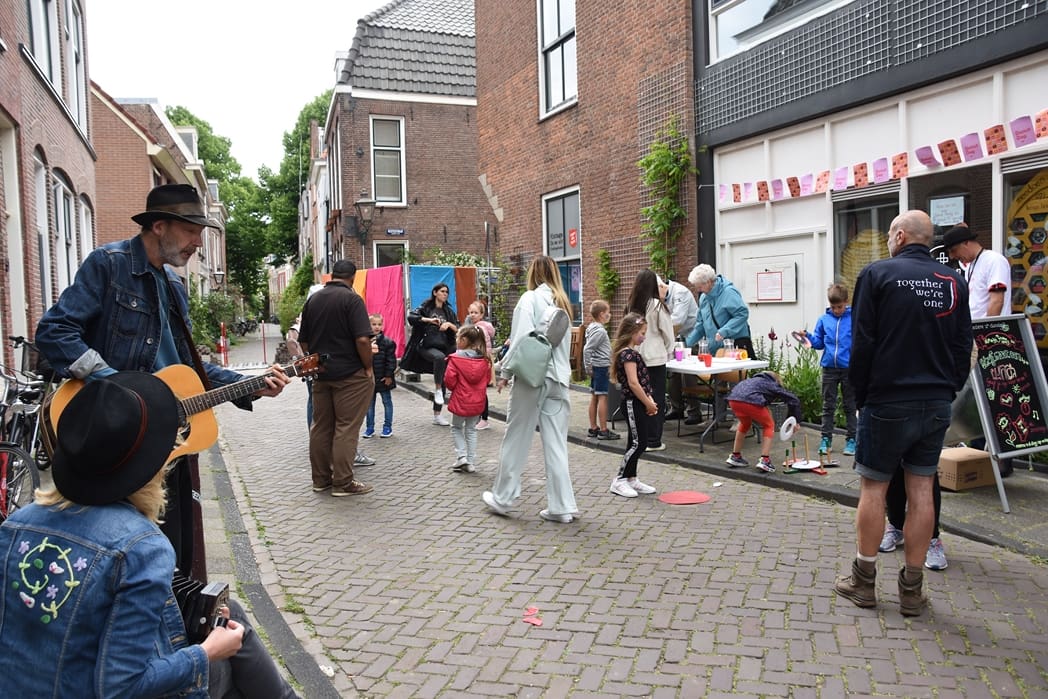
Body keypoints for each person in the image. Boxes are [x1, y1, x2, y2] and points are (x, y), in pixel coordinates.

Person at [35, 183, 289, 581]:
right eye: (190, 230)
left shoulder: (174, 286)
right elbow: (54, 332)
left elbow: (188, 368)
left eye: (200, 233)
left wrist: (249, 384)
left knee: (173, 550)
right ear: (159, 226)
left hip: (168, 436)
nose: (197, 243)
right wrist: (116, 387)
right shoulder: (109, 265)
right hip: (119, 436)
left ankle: (175, 611)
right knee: (122, 550)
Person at [0, 372, 245, 697]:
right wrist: (207, 652)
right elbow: (121, 686)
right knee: (233, 654)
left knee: (232, 616)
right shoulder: (142, 548)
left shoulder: (16, 526)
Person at [835, 209, 971, 617]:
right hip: (935, 400)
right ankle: (912, 590)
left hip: (888, 398)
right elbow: (963, 344)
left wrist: (861, 395)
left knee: (874, 489)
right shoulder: (954, 281)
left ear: (898, 237)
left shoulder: (877, 275)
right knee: (922, 489)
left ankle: (864, 581)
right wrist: (948, 388)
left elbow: (863, 341)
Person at [482, 255, 579, 524]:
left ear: (533, 274)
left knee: (516, 436)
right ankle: (562, 506)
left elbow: (522, 338)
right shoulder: (563, 303)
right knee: (556, 443)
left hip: (532, 377)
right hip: (559, 379)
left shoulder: (529, 299)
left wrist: (505, 372)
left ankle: (503, 498)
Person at [298, 259, 375, 497]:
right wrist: (368, 367)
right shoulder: (352, 299)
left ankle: (321, 480)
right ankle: (343, 482)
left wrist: (315, 362)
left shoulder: (313, 300)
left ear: (332, 275)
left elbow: (303, 341)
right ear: (352, 278)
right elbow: (362, 339)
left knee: (321, 426)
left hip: (321, 375)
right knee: (346, 428)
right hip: (350, 374)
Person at [801, 283, 857, 456]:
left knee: (850, 405)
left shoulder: (854, 318)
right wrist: (807, 337)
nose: (836, 310)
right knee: (828, 405)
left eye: (839, 307)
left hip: (849, 368)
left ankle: (852, 439)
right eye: (833, 307)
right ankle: (826, 439)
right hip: (829, 368)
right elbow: (818, 343)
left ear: (846, 302)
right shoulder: (824, 320)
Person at [609, 312, 660, 497]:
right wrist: (648, 402)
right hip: (633, 403)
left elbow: (641, 382)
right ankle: (620, 479)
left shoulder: (632, 353)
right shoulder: (628, 354)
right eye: (642, 333)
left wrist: (649, 400)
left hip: (639, 402)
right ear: (632, 332)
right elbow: (633, 383)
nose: (644, 337)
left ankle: (631, 478)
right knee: (639, 443)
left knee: (635, 441)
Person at [624, 269, 674, 451]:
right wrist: (668, 350)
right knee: (656, 397)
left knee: (639, 397)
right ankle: (653, 440)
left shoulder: (630, 305)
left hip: (635, 357)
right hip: (655, 358)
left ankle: (639, 438)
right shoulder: (657, 305)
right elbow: (668, 332)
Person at [401, 282, 459, 426]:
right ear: (435, 292)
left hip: (444, 346)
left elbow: (458, 327)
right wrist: (429, 320)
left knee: (443, 375)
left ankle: (437, 415)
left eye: (447, 292)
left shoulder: (448, 312)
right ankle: (438, 389)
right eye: (442, 291)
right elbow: (411, 317)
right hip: (426, 346)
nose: (445, 294)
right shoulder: (425, 307)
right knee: (439, 358)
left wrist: (449, 325)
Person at [724, 371, 802, 473]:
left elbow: (753, 395)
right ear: (776, 380)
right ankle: (765, 460)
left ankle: (735, 456)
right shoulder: (772, 384)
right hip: (751, 402)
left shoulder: (751, 381)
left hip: (733, 401)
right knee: (769, 425)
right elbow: (794, 399)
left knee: (744, 424)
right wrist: (796, 420)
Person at [444, 326, 491, 473]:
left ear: (463, 340)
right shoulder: (484, 360)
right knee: (471, 430)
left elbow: (449, 381)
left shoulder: (455, 359)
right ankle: (470, 462)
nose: (456, 340)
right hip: (477, 401)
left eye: (457, 337)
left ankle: (461, 456)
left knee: (456, 427)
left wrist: (455, 389)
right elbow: (487, 380)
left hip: (461, 399)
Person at [684, 263, 752, 357]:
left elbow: (742, 314)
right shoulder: (704, 298)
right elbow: (700, 325)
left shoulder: (728, 292)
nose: (698, 290)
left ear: (708, 282)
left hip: (735, 346)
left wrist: (724, 331)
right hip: (716, 350)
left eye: (699, 287)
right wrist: (686, 344)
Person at [660, 276, 702, 423]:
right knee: (673, 373)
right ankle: (676, 408)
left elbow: (678, 320)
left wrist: (661, 333)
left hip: (692, 337)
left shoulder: (680, 292)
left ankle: (694, 411)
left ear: (661, 287)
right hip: (678, 338)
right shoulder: (664, 296)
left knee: (687, 374)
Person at [583, 299, 619, 441]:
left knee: (594, 396)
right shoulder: (600, 331)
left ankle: (593, 428)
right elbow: (587, 349)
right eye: (608, 312)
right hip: (601, 367)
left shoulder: (591, 328)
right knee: (603, 396)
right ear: (601, 314)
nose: (609, 315)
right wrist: (588, 367)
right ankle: (603, 430)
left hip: (596, 367)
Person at [363, 313, 397, 439]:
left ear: (382, 326)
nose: (377, 327)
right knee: (369, 404)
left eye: (379, 324)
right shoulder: (364, 342)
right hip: (370, 379)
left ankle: (387, 427)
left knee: (387, 402)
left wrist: (388, 376)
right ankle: (369, 428)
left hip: (383, 378)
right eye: (373, 324)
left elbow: (391, 361)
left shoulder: (388, 342)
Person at [465, 300, 495, 430]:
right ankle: (479, 417)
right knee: (478, 390)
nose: (472, 315)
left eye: (476, 313)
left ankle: (484, 418)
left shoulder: (478, 329)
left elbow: (477, 347)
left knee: (480, 391)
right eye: (471, 312)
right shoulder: (479, 327)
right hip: (481, 361)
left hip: (480, 362)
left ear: (482, 314)